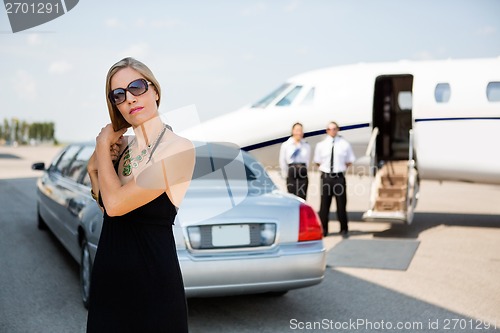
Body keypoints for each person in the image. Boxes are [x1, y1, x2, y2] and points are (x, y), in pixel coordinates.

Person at [86, 57, 195, 333]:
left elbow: (115, 205)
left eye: (137, 87)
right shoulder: (123, 148)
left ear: (155, 90)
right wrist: (94, 167)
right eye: (119, 95)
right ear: (116, 105)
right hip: (109, 280)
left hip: (153, 289)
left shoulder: (178, 149)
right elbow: (106, 209)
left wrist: (101, 144)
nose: (130, 99)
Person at [313, 121, 355, 237]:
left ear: (338, 130)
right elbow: (317, 161)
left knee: (341, 205)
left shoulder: (344, 144)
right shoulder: (321, 145)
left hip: (339, 178)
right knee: (324, 205)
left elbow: (350, 160)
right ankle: (324, 229)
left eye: (334, 128)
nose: (332, 131)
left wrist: (339, 169)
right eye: (330, 129)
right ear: (327, 130)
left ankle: (344, 229)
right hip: (326, 177)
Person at [279, 122, 311, 200]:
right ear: (293, 131)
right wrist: (286, 174)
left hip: (302, 172)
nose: (299, 133)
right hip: (291, 172)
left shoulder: (306, 145)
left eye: (300, 130)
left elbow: (307, 160)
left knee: (302, 197)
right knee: (291, 197)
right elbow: (282, 161)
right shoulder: (286, 145)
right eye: (297, 130)